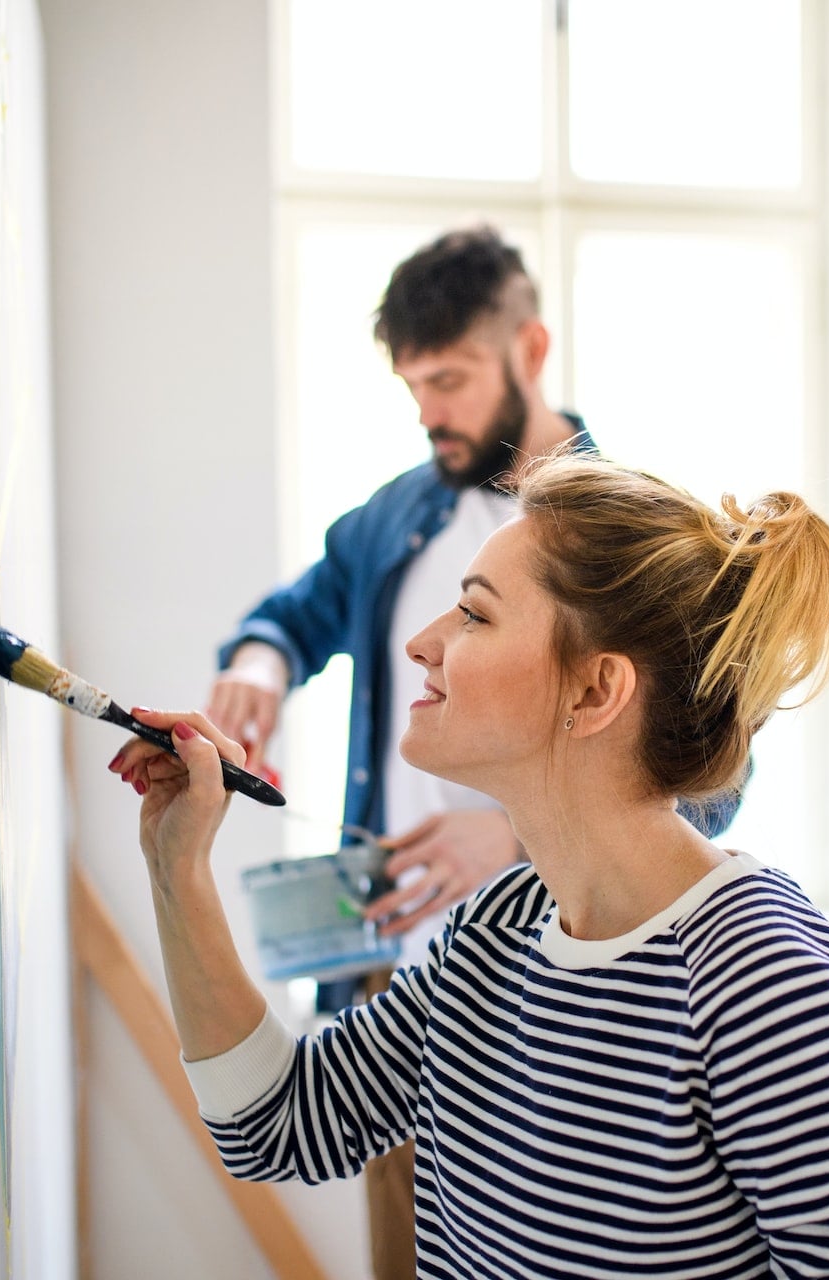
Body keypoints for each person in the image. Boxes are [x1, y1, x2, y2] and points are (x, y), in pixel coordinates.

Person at [112, 452, 829, 1278]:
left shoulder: (776, 993)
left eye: (475, 615)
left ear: (595, 692)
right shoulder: (495, 929)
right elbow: (276, 1125)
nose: (421, 644)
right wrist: (175, 867)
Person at [160, 224, 737, 1279]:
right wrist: (260, 665)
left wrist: (515, 845)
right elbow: (299, 609)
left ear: (531, 349)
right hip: (402, 966)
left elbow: (707, 768)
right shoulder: (401, 512)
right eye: (412, 386)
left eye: (452, 380)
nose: (430, 412)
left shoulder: (627, 541)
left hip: (566, 966)